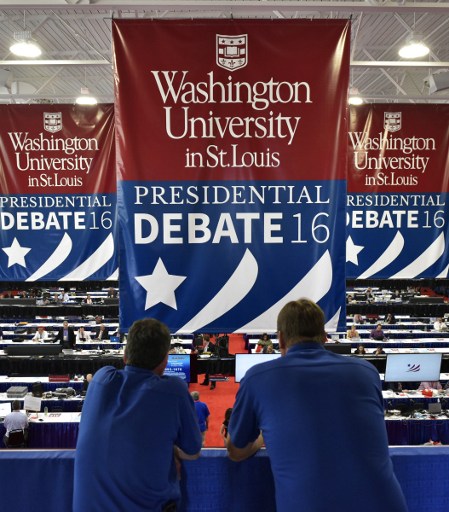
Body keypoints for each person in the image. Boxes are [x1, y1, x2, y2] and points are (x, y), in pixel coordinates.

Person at [224, 298, 407, 512]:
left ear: (281, 339)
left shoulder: (257, 377)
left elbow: (235, 451)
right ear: (324, 337)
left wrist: (261, 439)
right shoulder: (367, 372)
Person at [73, 318, 202, 512]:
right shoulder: (173, 390)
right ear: (165, 361)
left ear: (125, 356)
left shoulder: (100, 379)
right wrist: (172, 450)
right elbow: (193, 451)